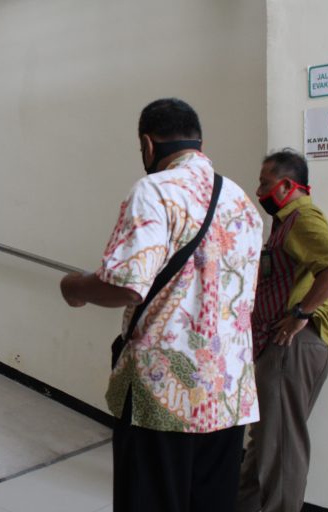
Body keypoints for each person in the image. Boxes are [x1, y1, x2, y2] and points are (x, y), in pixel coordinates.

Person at [60, 98, 263, 512]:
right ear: (199, 141)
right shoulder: (241, 200)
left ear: (148, 145)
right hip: (227, 391)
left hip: (162, 393)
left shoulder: (153, 190)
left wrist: (76, 287)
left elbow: (127, 285)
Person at [236, 150, 328, 512]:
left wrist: (302, 312)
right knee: (265, 444)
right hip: (281, 348)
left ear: (287, 186)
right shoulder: (285, 223)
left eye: (265, 183)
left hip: (292, 347)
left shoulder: (302, 217)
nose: (259, 191)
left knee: (281, 449)